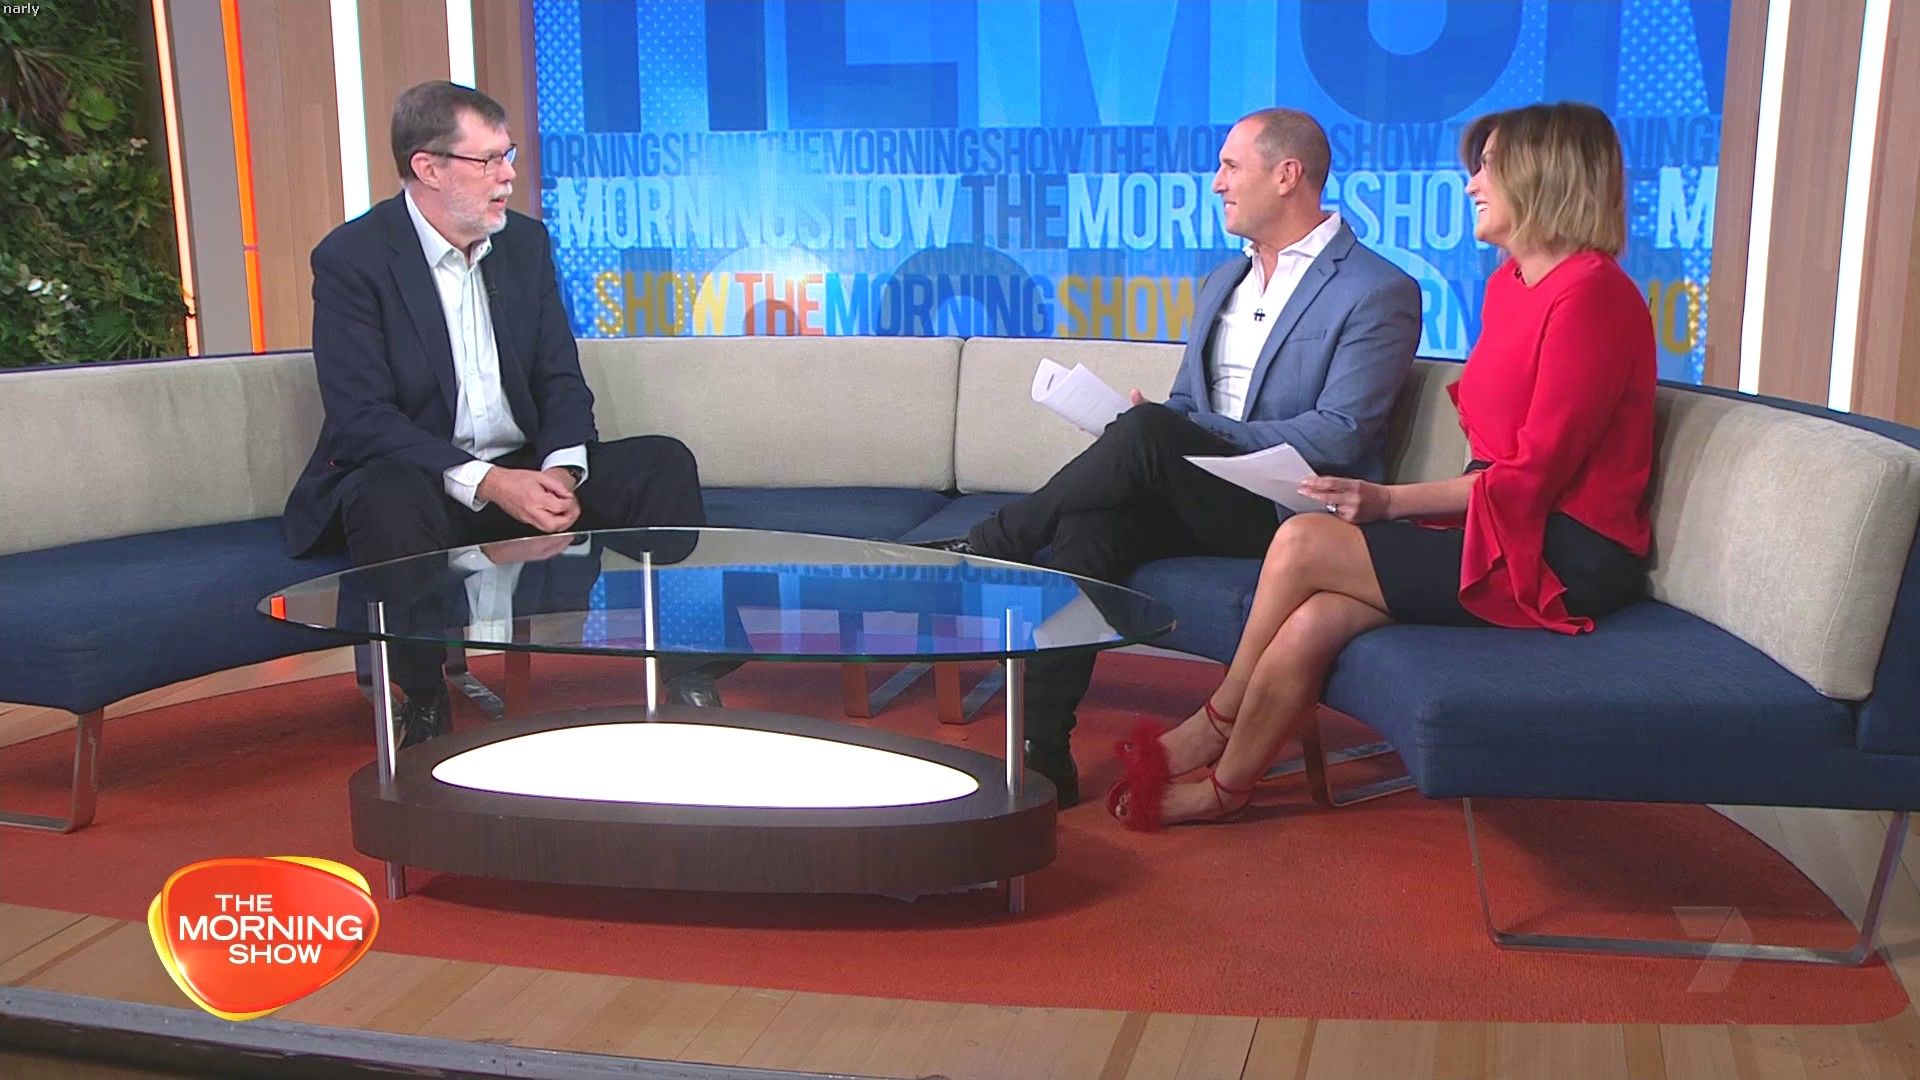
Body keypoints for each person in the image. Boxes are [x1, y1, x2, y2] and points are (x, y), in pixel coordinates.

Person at [1107, 101, 1657, 830]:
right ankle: (1225, 789)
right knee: (1314, 621)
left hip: (1564, 550)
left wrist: (1388, 500)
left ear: (1545, 176)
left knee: (1303, 539)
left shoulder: (1594, 296)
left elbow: (1533, 477)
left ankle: (1216, 718)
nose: (1472, 184)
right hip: (1498, 522)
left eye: (1489, 167)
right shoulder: (1510, 285)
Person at [921, 108, 1422, 806]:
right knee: (1090, 525)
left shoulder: (1376, 289)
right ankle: (1043, 747)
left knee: (1152, 432)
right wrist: (1160, 423)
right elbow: (1189, 403)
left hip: (1291, 515)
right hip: (1206, 494)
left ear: (1287, 175)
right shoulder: (1223, 281)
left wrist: (1180, 432)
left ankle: (994, 542)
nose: (1217, 183)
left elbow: (1340, 433)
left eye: (1230, 166)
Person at [283, 81, 720, 746]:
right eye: (487, 160)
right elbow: (363, 418)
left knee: (662, 464)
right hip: (427, 480)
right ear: (428, 168)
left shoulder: (524, 244)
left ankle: (687, 670)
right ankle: (422, 695)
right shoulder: (354, 259)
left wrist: (561, 475)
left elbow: (559, 378)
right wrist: (492, 484)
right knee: (384, 499)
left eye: (507, 155)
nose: (508, 176)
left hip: (526, 471)